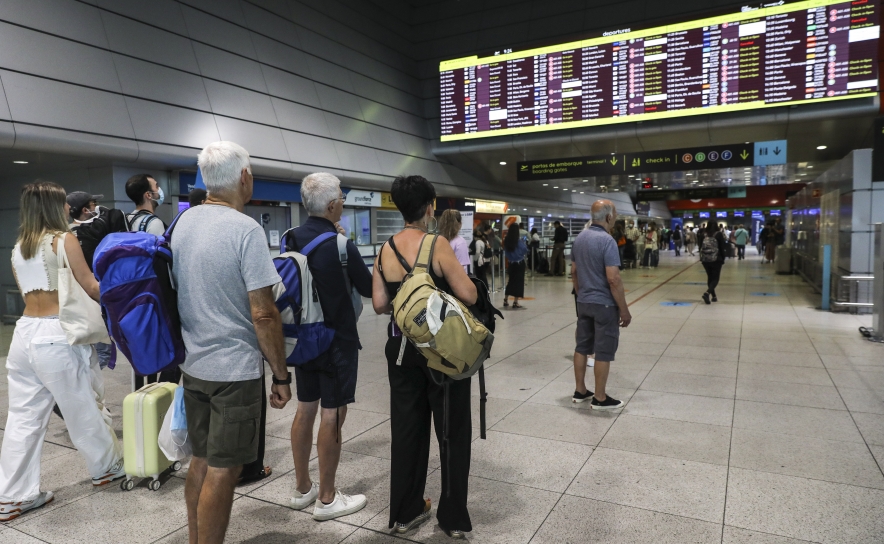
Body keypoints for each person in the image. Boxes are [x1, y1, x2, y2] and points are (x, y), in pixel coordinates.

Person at [172, 142, 292, 544]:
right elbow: (263, 314)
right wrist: (280, 375)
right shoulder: (246, 230)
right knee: (225, 469)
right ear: (244, 177)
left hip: (194, 367)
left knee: (201, 459)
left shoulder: (183, 223)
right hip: (234, 372)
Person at [0, 182, 125, 522]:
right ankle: (107, 468)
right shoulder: (63, 239)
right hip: (57, 334)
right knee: (82, 407)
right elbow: (91, 286)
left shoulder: (18, 248)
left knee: (23, 419)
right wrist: (125, 297)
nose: (68, 208)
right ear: (57, 207)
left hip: (24, 334)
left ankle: (13, 496)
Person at [372, 175, 477, 539]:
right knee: (451, 433)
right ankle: (452, 518)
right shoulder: (437, 245)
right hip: (441, 354)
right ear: (430, 207)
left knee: (406, 431)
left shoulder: (385, 249)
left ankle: (406, 512)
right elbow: (469, 294)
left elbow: (379, 303)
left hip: (401, 350)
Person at [286, 173, 373, 521]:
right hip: (337, 342)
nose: (343, 202)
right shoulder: (340, 245)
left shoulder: (291, 237)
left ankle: (302, 488)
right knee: (332, 413)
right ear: (333, 205)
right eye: (341, 197)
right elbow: (367, 288)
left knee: (305, 408)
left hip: (304, 338)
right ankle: (327, 498)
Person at [570, 200, 631, 410]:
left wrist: (582, 295)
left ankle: (580, 390)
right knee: (603, 351)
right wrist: (624, 310)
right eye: (615, 214)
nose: (615, 218)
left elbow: (574, 272)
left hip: (584, 302)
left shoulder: (579, 238)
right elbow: (613, 279)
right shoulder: (607, 241)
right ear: (608, 217)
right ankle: (600, 397)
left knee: (582, 347)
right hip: (604, 305)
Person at [66, 191, 115, 370]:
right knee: (102, 352)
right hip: (93, 297)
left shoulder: (65, 234)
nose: (97, 207)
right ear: (85, 210)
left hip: (74, 300)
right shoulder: (91, 234)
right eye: (94, 204)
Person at [503, 223, 529, 309]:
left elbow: (506, 252)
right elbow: (525, 250)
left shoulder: (507, 240)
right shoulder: (519, 241)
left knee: (510, 281)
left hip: (511, 263)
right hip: (519, 263)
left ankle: (505, 300)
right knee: (518, 282)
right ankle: (515, 302)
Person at [700, 222, 727, 304]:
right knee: (715, 278)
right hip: (716, 259)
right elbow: (722, 247)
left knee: (710, 277)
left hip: (705, 259)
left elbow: (700, 246)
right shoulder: (718, 234)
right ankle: (707, 293)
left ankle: (714, 296)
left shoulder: (703, 234)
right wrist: (723, 258)